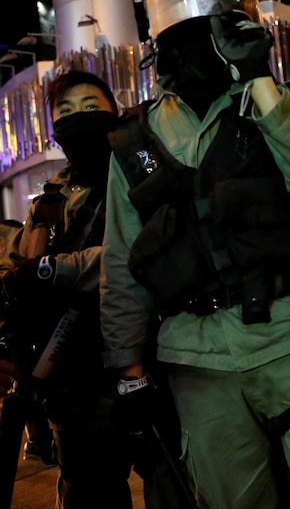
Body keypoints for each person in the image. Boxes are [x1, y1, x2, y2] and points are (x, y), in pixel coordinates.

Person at [100, 0, 290, 509]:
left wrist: (258, 79)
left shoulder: (282, 102)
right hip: (196, 359)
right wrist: (127, 367)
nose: (200, 44)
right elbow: (121, 259)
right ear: (160, 42)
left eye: (215, 28)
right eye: (186, 31)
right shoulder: (133, 143)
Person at [0, 70, 184, 508]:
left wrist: (52, 270)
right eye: (65, 111)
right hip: (71, 373)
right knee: (87, 489)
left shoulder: (142, 171)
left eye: (90, 107)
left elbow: (138, 250)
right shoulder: (52, 192)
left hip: (147, 358)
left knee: (174, 483)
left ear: (112, 112)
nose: (77, 118)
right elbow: (21, 261)